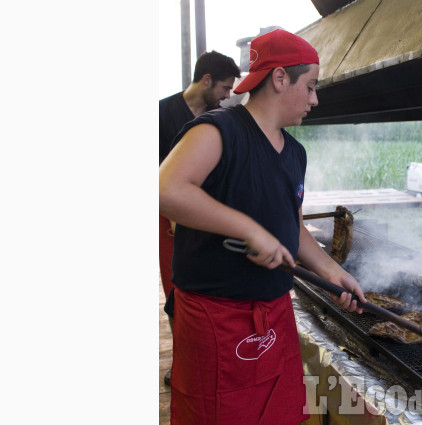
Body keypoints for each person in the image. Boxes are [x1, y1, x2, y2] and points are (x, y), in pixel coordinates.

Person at [159, 29, 367, 425]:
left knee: (281, 414)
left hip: (273, 314)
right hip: (216, 317)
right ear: (280, 78)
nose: (314, 99)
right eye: (310, 86)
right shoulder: (220, 130)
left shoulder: (294, 153)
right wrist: (248, 229)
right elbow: (166, 188)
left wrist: (333, 271)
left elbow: (293, 228)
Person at [159, 50, 241, 386]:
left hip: (209, 220)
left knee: (207, 295)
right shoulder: (162, 113)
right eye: (224, 87)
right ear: (205, 80)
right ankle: (184, 364)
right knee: (175, 291)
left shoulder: (219, 118)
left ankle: (209, 363)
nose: (227, 95)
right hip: (168, 221)